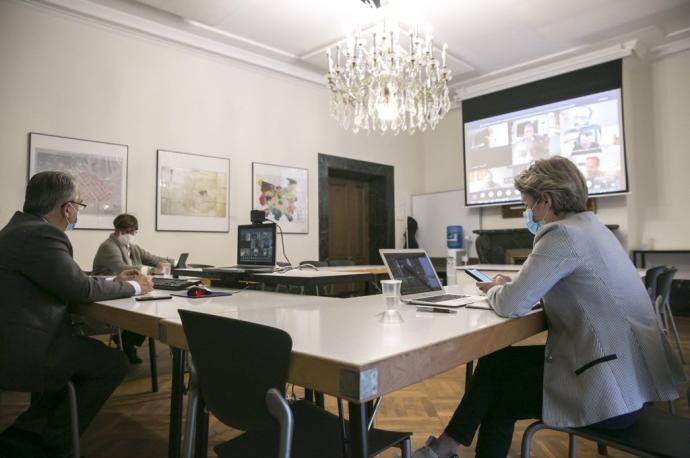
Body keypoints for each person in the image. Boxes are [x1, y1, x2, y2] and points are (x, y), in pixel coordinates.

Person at [412, 157, 685, 458]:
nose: (527, 213)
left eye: (527, 204)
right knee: (496, 362)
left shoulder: (561, 235)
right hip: (632, 380)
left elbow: (510, 304)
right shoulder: (592, 228)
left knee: (498, 397)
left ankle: (442, 449)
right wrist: (512, 286)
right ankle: (445, 447)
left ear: (546, 200)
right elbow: (568, 286)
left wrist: (496, 289)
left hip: (610, 394)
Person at [0, 171, 153, 458]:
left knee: (83, 359)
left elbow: (66, 278)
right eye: (80, 205)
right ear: (67, 208)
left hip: (13, 339)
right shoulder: (41, 235)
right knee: (113, 363)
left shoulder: (19, 230)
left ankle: (32, 428)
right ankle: (51, 444)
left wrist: (113, 280)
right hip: (28, 350)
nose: (77, 213)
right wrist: (134, 286)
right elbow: (80, 289)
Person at [92, 213, 172, 363]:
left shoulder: (132, 247)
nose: (130, 235)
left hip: (128, 291)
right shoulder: (108, 246)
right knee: (146, 305)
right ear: (117, 231)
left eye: (132, 232)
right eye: (127, 232)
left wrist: (173, 263)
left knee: (149, 304)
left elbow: (152, 258)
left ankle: (126, 340)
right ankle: (126, 341)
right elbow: (122, 268)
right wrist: (152, 271)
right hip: (108, 292)